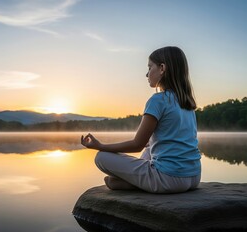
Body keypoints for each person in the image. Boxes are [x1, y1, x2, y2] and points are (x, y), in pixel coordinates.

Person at [81, 46, 201, 193]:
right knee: (150, 146)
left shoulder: (158, 100)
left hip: (168, 180)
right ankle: (138, 180)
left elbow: (137, 145)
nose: (146, 74)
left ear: (162, 68)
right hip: (194, 176)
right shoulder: (187, 103)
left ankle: (134, 182)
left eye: (150, 67)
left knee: (101, 157)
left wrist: (100, 146)